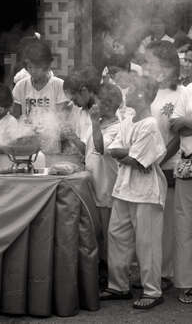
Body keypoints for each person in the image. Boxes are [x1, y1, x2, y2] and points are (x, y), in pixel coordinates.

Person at [101, 75, 167, 310]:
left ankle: (152, 291)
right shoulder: (128, 118)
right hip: (124, 189)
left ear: (144, 97)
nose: (127, 93)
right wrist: (126, 153)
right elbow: (113, 149)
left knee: (146, 243)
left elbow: (138, 161)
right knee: (117, 236)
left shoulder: (149, 124)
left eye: (134, 91)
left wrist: (125, 153)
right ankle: (118, 286)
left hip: (146, 192)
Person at [143, 40, 185, 292]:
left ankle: (167, 273)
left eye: (151, 62)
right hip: (144, 166)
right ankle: (153, 272)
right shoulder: (146, 91)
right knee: (149, 226)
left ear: (168, 66)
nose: (147, 66)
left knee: (168, 226)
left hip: (168, 166)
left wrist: (159, 158)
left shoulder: (181, 93)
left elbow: (179, 135)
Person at [170, 73, 192, 304]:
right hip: (187, 166)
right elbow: (174, 125)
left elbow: (182, 123)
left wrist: (187, 123)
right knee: (185, 225)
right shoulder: (190, 89)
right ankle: (189, 284)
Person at [85, 82, 122, 288]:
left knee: (107, 236)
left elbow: (100, 148)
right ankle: (99, 271)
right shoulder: (99, 123)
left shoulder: (117, 127)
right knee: (96, 234)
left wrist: (93, 123)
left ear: (107, 105)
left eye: (99, 100)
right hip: (93, 187)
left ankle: (109, 276)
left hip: (106, 190)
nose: (95, 104)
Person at [61, 66, 101, 155]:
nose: (74, 104)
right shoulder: (81, 111)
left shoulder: (103, 112)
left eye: (74, 99)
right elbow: (83, 149)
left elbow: (93, 151)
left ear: (84, 91)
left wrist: (72, 136)